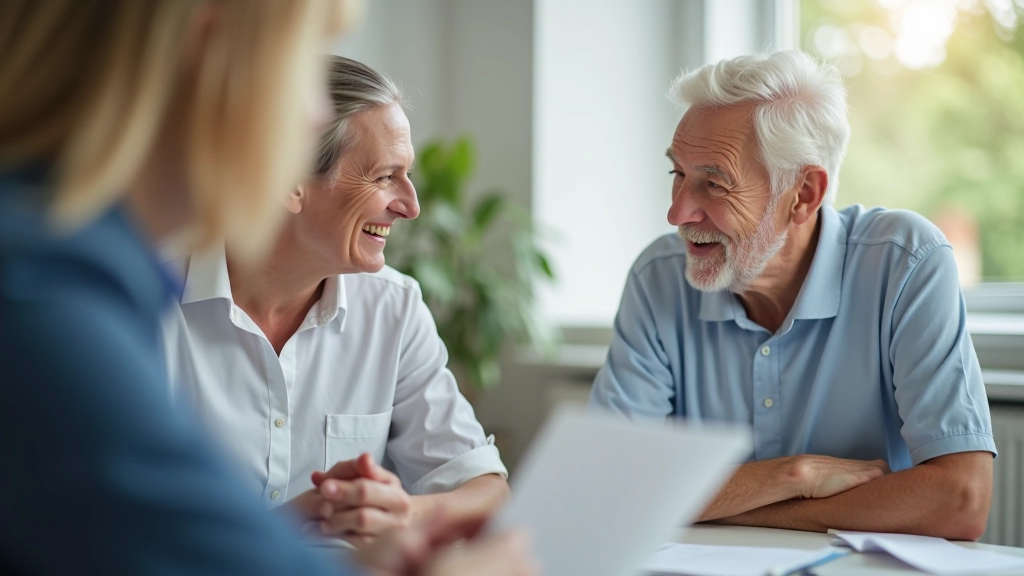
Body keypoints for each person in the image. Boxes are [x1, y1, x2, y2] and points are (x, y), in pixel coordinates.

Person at [0, 2, 534, 575]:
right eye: (301, 66)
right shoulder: (47, 298)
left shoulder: (83, 271)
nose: (311, 112)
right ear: (206, 42)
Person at [588, 50, 996, 540]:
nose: (677, 213)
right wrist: (792, 477)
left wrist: (726, 506)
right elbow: (605, 488)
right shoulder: (657, 278)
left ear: (803, 194)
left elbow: (960, 500)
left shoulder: (905, 262)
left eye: (713, 184)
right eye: (677, 174)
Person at [161, 56, 509, 546]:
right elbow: (97, 521)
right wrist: (288, 523)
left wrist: (397, 511)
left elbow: (485, 489)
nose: (410, 205)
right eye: (385, 176)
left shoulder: (395, 308)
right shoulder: (147, 302)